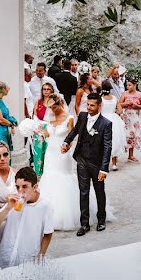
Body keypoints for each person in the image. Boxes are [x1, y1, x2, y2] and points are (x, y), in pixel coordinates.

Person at [60, 92, 112, 236]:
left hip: (97, 163)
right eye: (88, 104)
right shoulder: (82, 116)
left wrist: (104, 169)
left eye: (92, 105)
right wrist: (66, 141)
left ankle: (101, 220)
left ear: (99, 106)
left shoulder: (106, 124)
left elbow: (108, 146)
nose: (89, 107)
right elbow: (75, 131)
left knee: (99, 191)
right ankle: (84, 224)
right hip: (82, 159)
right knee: (83, 192)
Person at [0, 167, 55, 268]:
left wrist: (40, 257)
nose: (20, 191)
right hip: (6, 256)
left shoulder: (45, 206)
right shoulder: (14, 201)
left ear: (35, 187)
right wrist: (8, 208)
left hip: (27, 259)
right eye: (17, 187)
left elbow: (48, 234)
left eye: (24, 187)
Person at [119, 78, 141, 163]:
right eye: (127, 85)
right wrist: (126, 104)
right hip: (126, 118)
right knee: (125, 135)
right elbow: (119, 104)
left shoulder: (139, 94)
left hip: (135, 118)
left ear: (134, 85)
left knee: (134, 135)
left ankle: (131, 155)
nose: (128, 87)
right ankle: (117, 153)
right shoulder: (124, 94)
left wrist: (136, 105)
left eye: (130, 85)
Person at [100, 79, 127, 171]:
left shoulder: (101, 99)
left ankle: (105, 165)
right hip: (114, 120)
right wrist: (113, 111)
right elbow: (120, 111)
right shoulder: (114, 98)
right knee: (114, 140)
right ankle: (114, 163)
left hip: (103, 119)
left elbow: (99, 111)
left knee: (104, 141)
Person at [0, 81, 18, 151]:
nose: (8, 89)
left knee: (6, 153)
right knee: (1, 152)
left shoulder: (1, 101)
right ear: (2, 89)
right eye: (7, 87)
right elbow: (0, 119)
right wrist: (11, 125)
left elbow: (6, 117)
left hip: (4, 130)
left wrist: (13, 121)